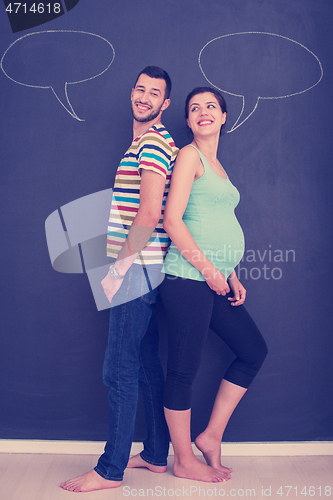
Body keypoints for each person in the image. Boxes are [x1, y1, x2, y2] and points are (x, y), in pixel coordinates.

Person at [61, 66, 178, 492]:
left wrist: (119, 268)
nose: (145, 97)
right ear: (133, 93)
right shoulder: (152, 143)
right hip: (144, 269)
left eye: (155, 93)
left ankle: (110, 469)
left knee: (119, 370)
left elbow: (150, 212)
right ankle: (154, 454)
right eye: (140, 89)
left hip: (135, 270)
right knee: (145, 364)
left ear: (165, 104)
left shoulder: (152, 143)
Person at [159, 87, 268, 483]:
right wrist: (210, 271)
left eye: (211, 107)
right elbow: (173, 221)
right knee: (183, 370)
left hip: (215, 278)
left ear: (224, 117)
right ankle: (184, 459)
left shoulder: (217, 165)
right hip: (187, 277)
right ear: (187, 121)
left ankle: (211, 436)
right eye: (194, 109)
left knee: (253, 351)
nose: (203, 112)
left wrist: (232, 273)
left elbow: (213, 223)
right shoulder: (188, 156)